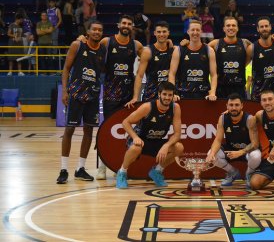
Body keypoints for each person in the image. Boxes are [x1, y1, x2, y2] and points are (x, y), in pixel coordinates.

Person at [92, 15, 144, 180]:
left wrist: (171, 44)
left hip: (128, 97)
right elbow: (90, 46)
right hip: (110, 96)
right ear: (118, 24)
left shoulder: (136, 45)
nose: (126, 25)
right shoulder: (108, 42)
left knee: (126, 132)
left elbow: (152, 54)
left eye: (129, 24)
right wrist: (81, 39)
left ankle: (117, 165)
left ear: (132, 27)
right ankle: (101, 167)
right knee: (106, 132)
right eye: (124, 23)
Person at [56, 21, 106, 184]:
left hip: (93, 95)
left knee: (89, 132)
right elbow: (66, 68)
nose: (97, 32)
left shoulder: (103, 50)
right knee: (69, 129)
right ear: (88, 31)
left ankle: (80, 168)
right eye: (94, 29)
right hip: (76, 94)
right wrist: (64, 91)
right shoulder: (77, 45)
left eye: (100, 30)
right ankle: (63, 169)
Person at [116, 81, 184, 188]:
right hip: (141, 139)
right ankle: (122, 172)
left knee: (179, 147)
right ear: (159, 94)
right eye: (164, 94)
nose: (167, 97)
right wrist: (135, 137)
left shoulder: (176, 108)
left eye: (170, 95)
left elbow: (177, 134)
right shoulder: (147, 107)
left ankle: (156, 172)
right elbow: (125, 122)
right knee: (135, 148)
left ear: (173, 96)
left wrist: (166, 146)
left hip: (157, 141)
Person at [206, 93, 261, 187]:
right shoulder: (223, 118)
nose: (234, 108)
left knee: (256, 156)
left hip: (247, 150)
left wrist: (241, 152)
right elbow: (218, 140)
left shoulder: (250, 119)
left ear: (242, 106)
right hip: (231, 148)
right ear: (227, 106)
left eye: (237, 105)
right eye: (231, 105)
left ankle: (249, 174)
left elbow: (255, 144)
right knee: (212, 154)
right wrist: (211, 154)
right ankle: (233, 173)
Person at [126, 21, 174, 106]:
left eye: (164, 32)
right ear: (154, 33)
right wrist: (135, 97)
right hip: (150, 95)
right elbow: (139, 75)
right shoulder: (148, 51)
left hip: (167, 96)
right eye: (159, 32)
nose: (161, 34)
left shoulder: (173, 50)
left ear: (168, 33)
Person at [168, 20, 217, 100]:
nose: (195, 32)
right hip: (182, 95)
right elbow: (171, 74)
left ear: (201, 31)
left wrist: (212, 92)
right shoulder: (178, 50)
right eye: (193, 30)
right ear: (188, 31)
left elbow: (214, 75)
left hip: (203, 94)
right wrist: (172, 93)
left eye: (197, 30)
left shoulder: (209, 50)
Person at [208, 16, 251, 99]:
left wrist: (273, 38)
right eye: (228, 25)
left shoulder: (245, 43)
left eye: (233, 25)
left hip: (239, 88)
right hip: (220, 89)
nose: (231, 28)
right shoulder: (215, 43)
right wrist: (187, 43)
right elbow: (199, 49)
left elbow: (261, 47)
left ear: (237, 28)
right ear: (224, 28)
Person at [247, 16, 274, 102]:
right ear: (258, 29)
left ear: (270, 27)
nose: (264, 28)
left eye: (266, 26)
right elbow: (242, 66)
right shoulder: (251, 48)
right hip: (258, 94)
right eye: (261, 27)